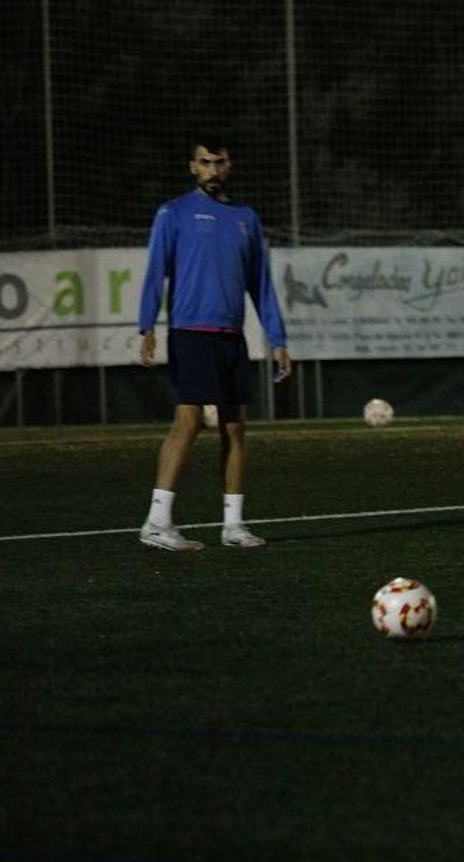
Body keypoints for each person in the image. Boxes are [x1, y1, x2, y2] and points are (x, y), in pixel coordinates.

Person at [136, 136, 291, 551]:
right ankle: (156, 521)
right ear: (192, 167)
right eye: (204, 163)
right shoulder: (174, 213)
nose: (212, 170)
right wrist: (146, 325)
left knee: (235, 428)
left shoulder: (246, 218)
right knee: (187, 421)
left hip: (231, 336)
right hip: (191, 332)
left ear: (229, 165)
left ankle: (233, 526)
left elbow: (261, 284)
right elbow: (155, 272)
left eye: (219, 162)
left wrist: (277, 338)